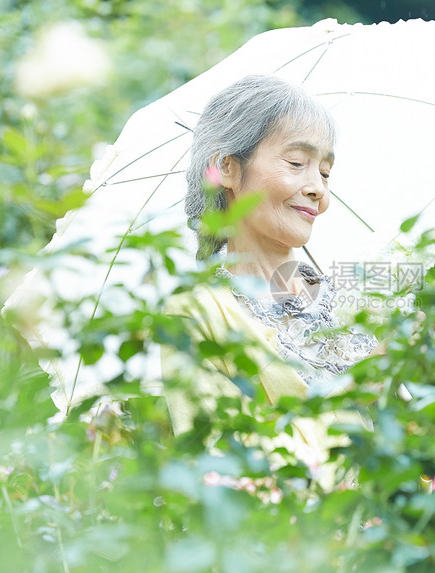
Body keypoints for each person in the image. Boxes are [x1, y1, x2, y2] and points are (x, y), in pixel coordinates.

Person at [160, 75, 380, 480]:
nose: (317, 189)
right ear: (226, 167)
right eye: (297, 163)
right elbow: (224, 468)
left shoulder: (351, 299)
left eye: (326, 172)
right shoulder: (195, 312)